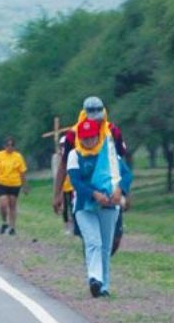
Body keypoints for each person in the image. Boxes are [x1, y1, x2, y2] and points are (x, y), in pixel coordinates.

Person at [53, 96, 129, 253]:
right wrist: (57, 193)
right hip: (85, 189)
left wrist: (124, 190)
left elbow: (121, 163)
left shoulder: (113, 132)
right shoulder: (73, 136)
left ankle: (100, 265)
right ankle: (95, 273)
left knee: (114, 240)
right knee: (91, 239)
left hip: (109, 188)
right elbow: (63, 164)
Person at [67, 118, 133, 298]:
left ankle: (103, 285)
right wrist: (95, 195)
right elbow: (76, 182)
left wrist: (120, 190)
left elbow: (126, 174)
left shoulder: (109, 153)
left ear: (98, 136)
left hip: (110, 205)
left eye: (92, 137)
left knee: (105, 245)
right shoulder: (74, 155)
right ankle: (94, 279)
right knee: (93, 241)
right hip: (84, 206)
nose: (88, 141)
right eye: (85, 138)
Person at [0, 136, 28, 236]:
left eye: (12, 145)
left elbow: (22, 172)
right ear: (4, 146)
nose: (9, 147)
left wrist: (25, 185)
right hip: (2, 182)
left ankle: (12, 227)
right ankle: (4, 221)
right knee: (3, 204)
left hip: (15, 183)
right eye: (8, 145)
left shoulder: (18, 157)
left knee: (12, 205)